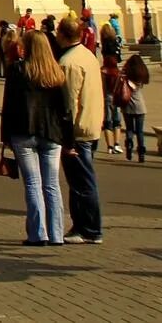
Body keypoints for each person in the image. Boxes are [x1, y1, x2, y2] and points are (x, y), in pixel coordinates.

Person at [2, 30, 72, 246]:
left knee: (33, 184)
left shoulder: (17, 70)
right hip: (51, 134)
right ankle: (57, 234)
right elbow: (65, 111)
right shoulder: (56, 73)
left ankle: (38, 233)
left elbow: (9, 105)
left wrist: (5, 137)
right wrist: (69, 141)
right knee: (52, 185)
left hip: (24, 132)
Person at [54, 20, 104, 242]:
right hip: (91, 124)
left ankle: (90, 229)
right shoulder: (87, 55)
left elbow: (69, 103)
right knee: (79, 182)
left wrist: (67, 137)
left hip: (78, 130)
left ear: (63, 35)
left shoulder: (68, 62)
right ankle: (81, 226)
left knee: (82, 183)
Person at [119, 52, 149, 162]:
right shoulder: (141, 76)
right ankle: (141, 153)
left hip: (127, 106)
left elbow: (120, 84)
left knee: (129, 129)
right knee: (140, 131)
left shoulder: (126, 76)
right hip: (140, 106)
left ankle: (129, 148)